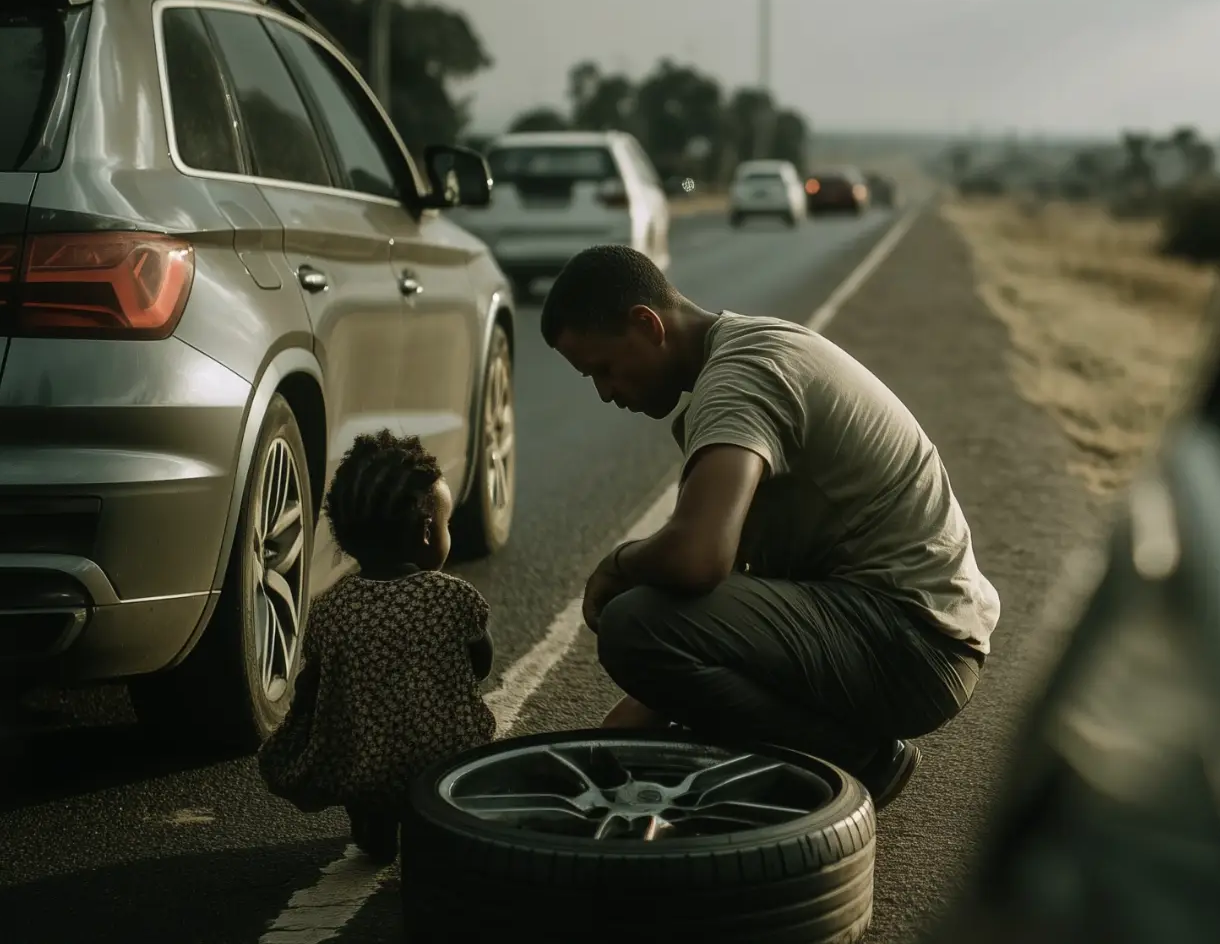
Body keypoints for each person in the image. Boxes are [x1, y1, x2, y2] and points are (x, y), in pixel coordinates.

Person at [541, 245, 1000, 809]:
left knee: (633, 619)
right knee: (657, 624)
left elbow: (698, 558)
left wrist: (616, 564)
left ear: (647, 323)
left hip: (913, 645)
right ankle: (828, 752)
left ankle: (858, 759)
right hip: (919, 630)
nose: (607, 393)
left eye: (605, 369)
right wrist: (612, 739)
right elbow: (716, 608)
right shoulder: (750, 346)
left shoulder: (739, 380)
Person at [258, 431, 496, 861]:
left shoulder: (331, 608)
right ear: (428, 531)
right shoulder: (453, 597)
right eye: (447, 525)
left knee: (360, 751)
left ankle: (374, 824)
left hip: (360, 763)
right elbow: (480, 662)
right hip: (442, 758)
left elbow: (314, 682)